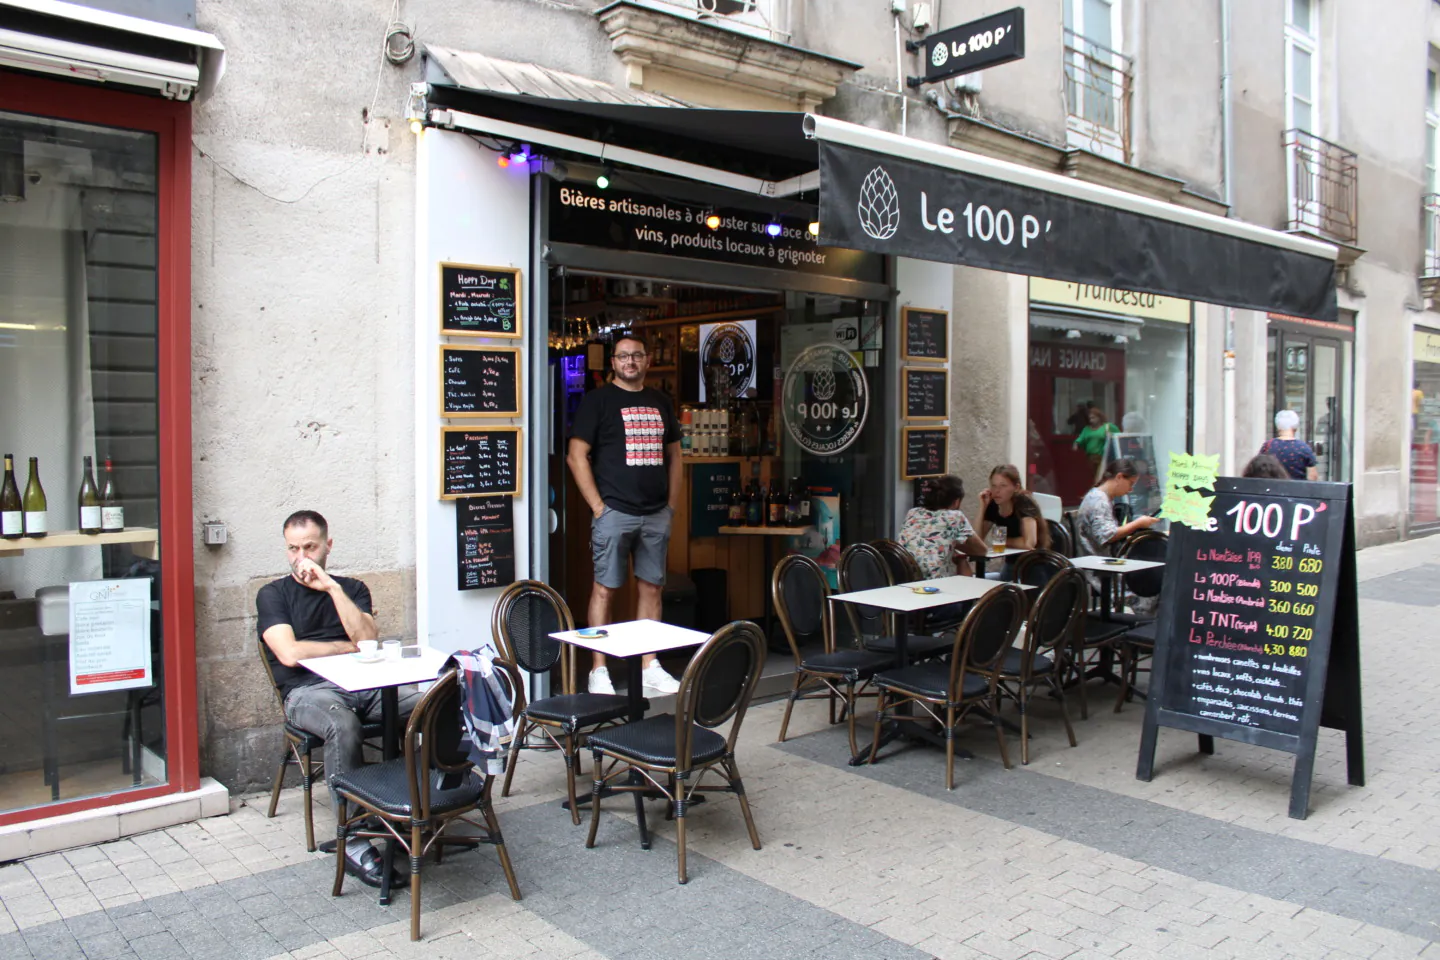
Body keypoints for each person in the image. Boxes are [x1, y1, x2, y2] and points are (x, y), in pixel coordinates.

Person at [256, 510, 417, 888]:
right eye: (293, 549)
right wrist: (344, 648)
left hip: (364, 683)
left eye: (309, 547)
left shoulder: (351, 588)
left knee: (426, 702)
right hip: (307, 691)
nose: (301, 557)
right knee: (342, 726)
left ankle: (422, 803)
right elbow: (290, 654)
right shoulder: (273, 594)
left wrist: (330, 587)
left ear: (328, 546)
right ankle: (355, 839)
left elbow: (367, 638)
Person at [567, 333, 683, 697]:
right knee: (604, 589)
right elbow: (576, 456)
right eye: (623, 356)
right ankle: (598, 670)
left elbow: (676, 457)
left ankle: (650, 664)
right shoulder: (597, 402)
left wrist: (671, 506)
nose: (630, 362)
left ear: (647, 361)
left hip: (655, 513)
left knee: (652, 587)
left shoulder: (661, 402)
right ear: (612, 363)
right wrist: (599, 508)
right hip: (614, 512)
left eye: (636, 355)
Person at [899, 474, 988, 580]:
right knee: (962, 560)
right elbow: (981, 550)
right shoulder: (954, 517)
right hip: (932, 584)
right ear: (956, 502)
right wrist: (956, 548)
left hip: (902, 578)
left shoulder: (913, 513)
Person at [978, 464, 1052, 551]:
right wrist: (982, 506)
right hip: (1011, 560)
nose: (997, 491)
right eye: (993, 486)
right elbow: (977, 540)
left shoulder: (1024, 502)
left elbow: (1029, 543)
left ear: (1016, 487)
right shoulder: (993, 504)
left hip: (1033, 559)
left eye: (1003, 486)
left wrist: (1003, 540)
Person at [1260, 410, 1318, 480]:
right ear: (1295, 428)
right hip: (1296, 489)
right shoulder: (1304, 448)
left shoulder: (1267, 446)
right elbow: (1313, 476)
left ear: (1278, 427)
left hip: (1273, 489)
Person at [1074, 406, 1119, 473]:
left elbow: (1119, 436)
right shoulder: (1087, 429)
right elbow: (1080, 438)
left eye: (1093, 418)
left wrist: (1110, 436)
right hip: (1091, 457)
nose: (1091, 420)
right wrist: (1076, 444)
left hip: (1104, 457)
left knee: (1102, 475)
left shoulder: (1108, 427)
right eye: (1090, 418)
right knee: (1095, 475)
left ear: (1099, 417)